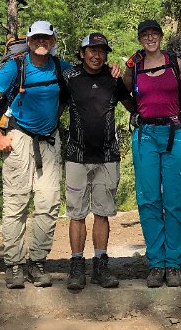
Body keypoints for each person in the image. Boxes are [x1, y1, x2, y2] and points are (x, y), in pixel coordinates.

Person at [0, 20, 70, 289]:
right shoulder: (15, 67)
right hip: (18, 139)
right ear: (29, 41)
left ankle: (37, 262)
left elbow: (85, 78)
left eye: (46, 38)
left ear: (53, 42)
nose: (42, 42)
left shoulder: (60, 67)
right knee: (15, 205)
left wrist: (112, 70)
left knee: (48, 203)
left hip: (49, 141)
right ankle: (14, 265)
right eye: (37, 38)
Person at [63, 32, 135, 291]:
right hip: (76, 155)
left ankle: (100, 265)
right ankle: (76, 265)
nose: (97, 55)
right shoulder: (69, 78)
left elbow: (133, 106)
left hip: (107, 156)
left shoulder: (113, 79)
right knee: (77, 214)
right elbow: (54, 107)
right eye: (92, 50)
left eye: (102, 51)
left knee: (102, 213)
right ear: (82, 53)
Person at [122, 19, 181, 288]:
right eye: (145, 35)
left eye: (154, 34)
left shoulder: (176, 63)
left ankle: (173, 263)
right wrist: (138, 114)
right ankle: (156, 263)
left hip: (175, 132)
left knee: (175, 199)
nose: (150, 39)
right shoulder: (134, 67)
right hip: (145, 135)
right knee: (149, 199)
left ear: (161, 37)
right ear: (140, 39)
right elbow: (123, 93)